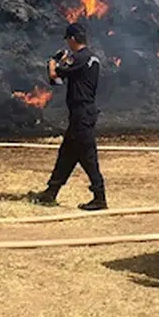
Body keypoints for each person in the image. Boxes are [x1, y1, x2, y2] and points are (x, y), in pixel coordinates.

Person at [29, 22, 106, 210]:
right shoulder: (91, 58)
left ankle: (99, 197)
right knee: (67, 154)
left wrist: (52, 63)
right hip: (83, 113)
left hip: (81, 113)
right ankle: (51, 192)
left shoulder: (79, 58)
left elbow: (55, 79)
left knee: (87, 157)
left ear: (72, 39)